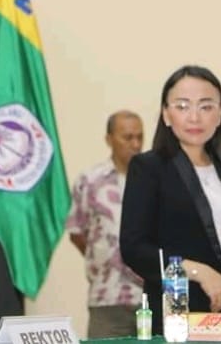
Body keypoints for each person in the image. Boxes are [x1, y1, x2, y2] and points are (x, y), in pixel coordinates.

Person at [120, 65, 221, 335]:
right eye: (182, 106)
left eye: (206, 106)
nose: (194, 117)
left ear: (220, 114)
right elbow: (134, 247)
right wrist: (198, 272)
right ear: (166, 114)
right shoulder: (148, 168)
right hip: (177, 315)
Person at [66, 110, 145, 338]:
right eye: (127, 137)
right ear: (109, 139)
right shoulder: (90, 180)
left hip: (150, 297)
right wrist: (105, 258)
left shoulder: (154, 179)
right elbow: (77, 232)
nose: (136, 144)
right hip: (106, 297)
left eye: (140, 137)